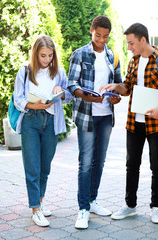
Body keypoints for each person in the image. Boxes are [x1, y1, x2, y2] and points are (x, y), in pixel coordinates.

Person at [100, 23, 158, 224]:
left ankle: (156, 207)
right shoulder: (134, 61)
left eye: (131, 43)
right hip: (134, 122)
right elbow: (127, 87)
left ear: (143, 40)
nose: (129, 47)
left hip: (156, 123)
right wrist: (116, 88)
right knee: (132, 165)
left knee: (157, 165)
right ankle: (130, 206)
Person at [67, 15, 122, 229]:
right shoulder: (80, 54)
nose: (101, 40)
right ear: (91, 31)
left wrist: (117, 96)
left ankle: (92, 200)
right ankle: (82, 209)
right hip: (86, 114)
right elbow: (72, 84)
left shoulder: (112, 56)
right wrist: (85, 95)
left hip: (106, 115)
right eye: (98, 35)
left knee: (99, 161)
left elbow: (118, 85)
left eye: (105, 36)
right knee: (86, 162)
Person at [13, 35, 72, 227]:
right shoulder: (25, 71)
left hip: (52, 122)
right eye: (42, 56)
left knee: (45, 167)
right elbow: (18, 99)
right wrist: (33, 105)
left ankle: (40, 201)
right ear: (35, 55)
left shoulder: (59, 72)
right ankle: (35, 210)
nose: (47, 60)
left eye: (50, 55)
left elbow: (69, 96)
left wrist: (59, 90)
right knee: (32, 167)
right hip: (31, 120)